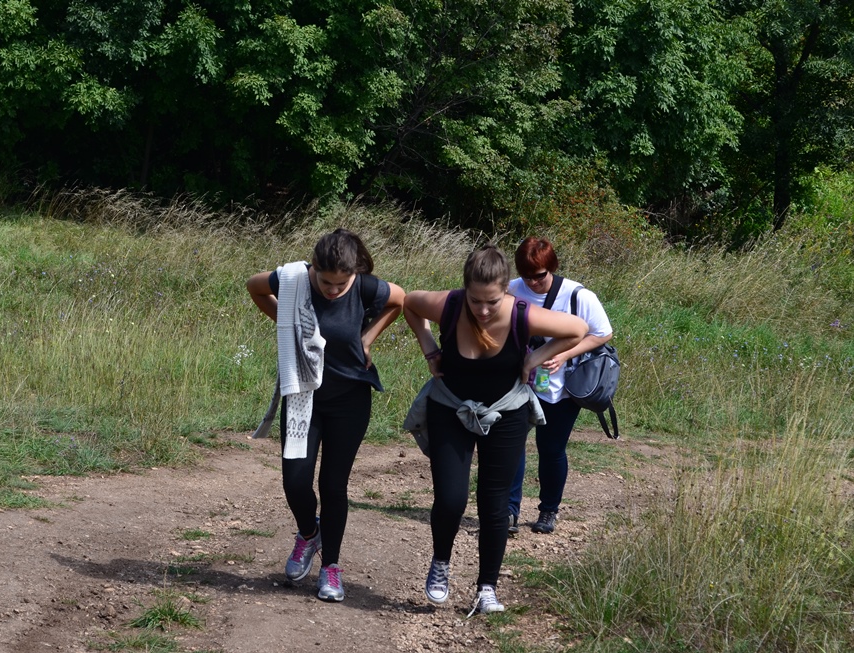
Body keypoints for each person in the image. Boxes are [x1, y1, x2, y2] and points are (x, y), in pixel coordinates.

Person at [403, 245, 587, 615]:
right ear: (464, 291)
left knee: (495, 502)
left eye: (492, 301)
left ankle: (487, 587)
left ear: (506, 291)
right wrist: (430, 349)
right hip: (450, 407)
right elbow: (408, 303)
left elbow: (578, 329)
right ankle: (441, 562)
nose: (483, 310)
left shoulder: (522, 314)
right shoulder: (449, 306)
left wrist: (534, 359)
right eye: (476, 301)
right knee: (451, 498)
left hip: (507, 413)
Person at [246, 228, 405, 602]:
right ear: (313, 268)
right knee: (294, 481)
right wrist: (286, 320)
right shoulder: (294, 279)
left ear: (354, 274)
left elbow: (400, 301)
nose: (333, 290)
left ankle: (331, 567)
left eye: (341, 284)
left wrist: (367, 339)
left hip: (350, 400)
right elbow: (254, 286)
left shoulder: (365, 287)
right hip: (303, 394)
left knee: (334, 486)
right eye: (325, 282)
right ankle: (308, 534)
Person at [506, 237, 614, 535]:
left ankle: (548, 510)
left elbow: (603, 333)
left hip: (562, 388)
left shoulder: (578, 295)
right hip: (519, 383)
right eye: (526, 276)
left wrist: (564, 354)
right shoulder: (512, 289)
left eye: (539, 276)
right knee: (512, 445)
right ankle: (509, 511)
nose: (532, 282)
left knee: (551, 448)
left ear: (552, 268)